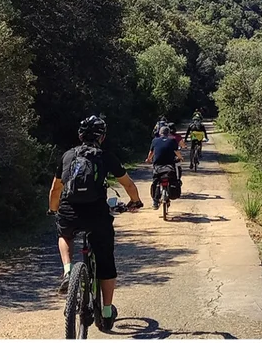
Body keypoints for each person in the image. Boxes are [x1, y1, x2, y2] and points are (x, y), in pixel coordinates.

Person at [48, 115, 143, 332]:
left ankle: (67, 270)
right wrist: (135, 202)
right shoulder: (106, 156)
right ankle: (107, 311)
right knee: (106, 261)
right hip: (97, 214)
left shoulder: (68, 156)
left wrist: (53, 210)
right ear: (102, 136)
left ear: (80, 135)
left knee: (64, 234)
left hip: (70, 211)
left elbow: (55, 189)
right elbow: (128, 184)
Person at [145, 126, 184, 208]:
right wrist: (180, 158)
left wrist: (148, 159)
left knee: (156, 181)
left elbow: (151, 152)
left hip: (158, 166)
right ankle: (171, 193)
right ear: (168, 133)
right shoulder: (172, 140)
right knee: (173, 179)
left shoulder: (155, 140)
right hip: (169, 166)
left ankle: (155, 202)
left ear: (160, 133)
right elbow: (176, 152)